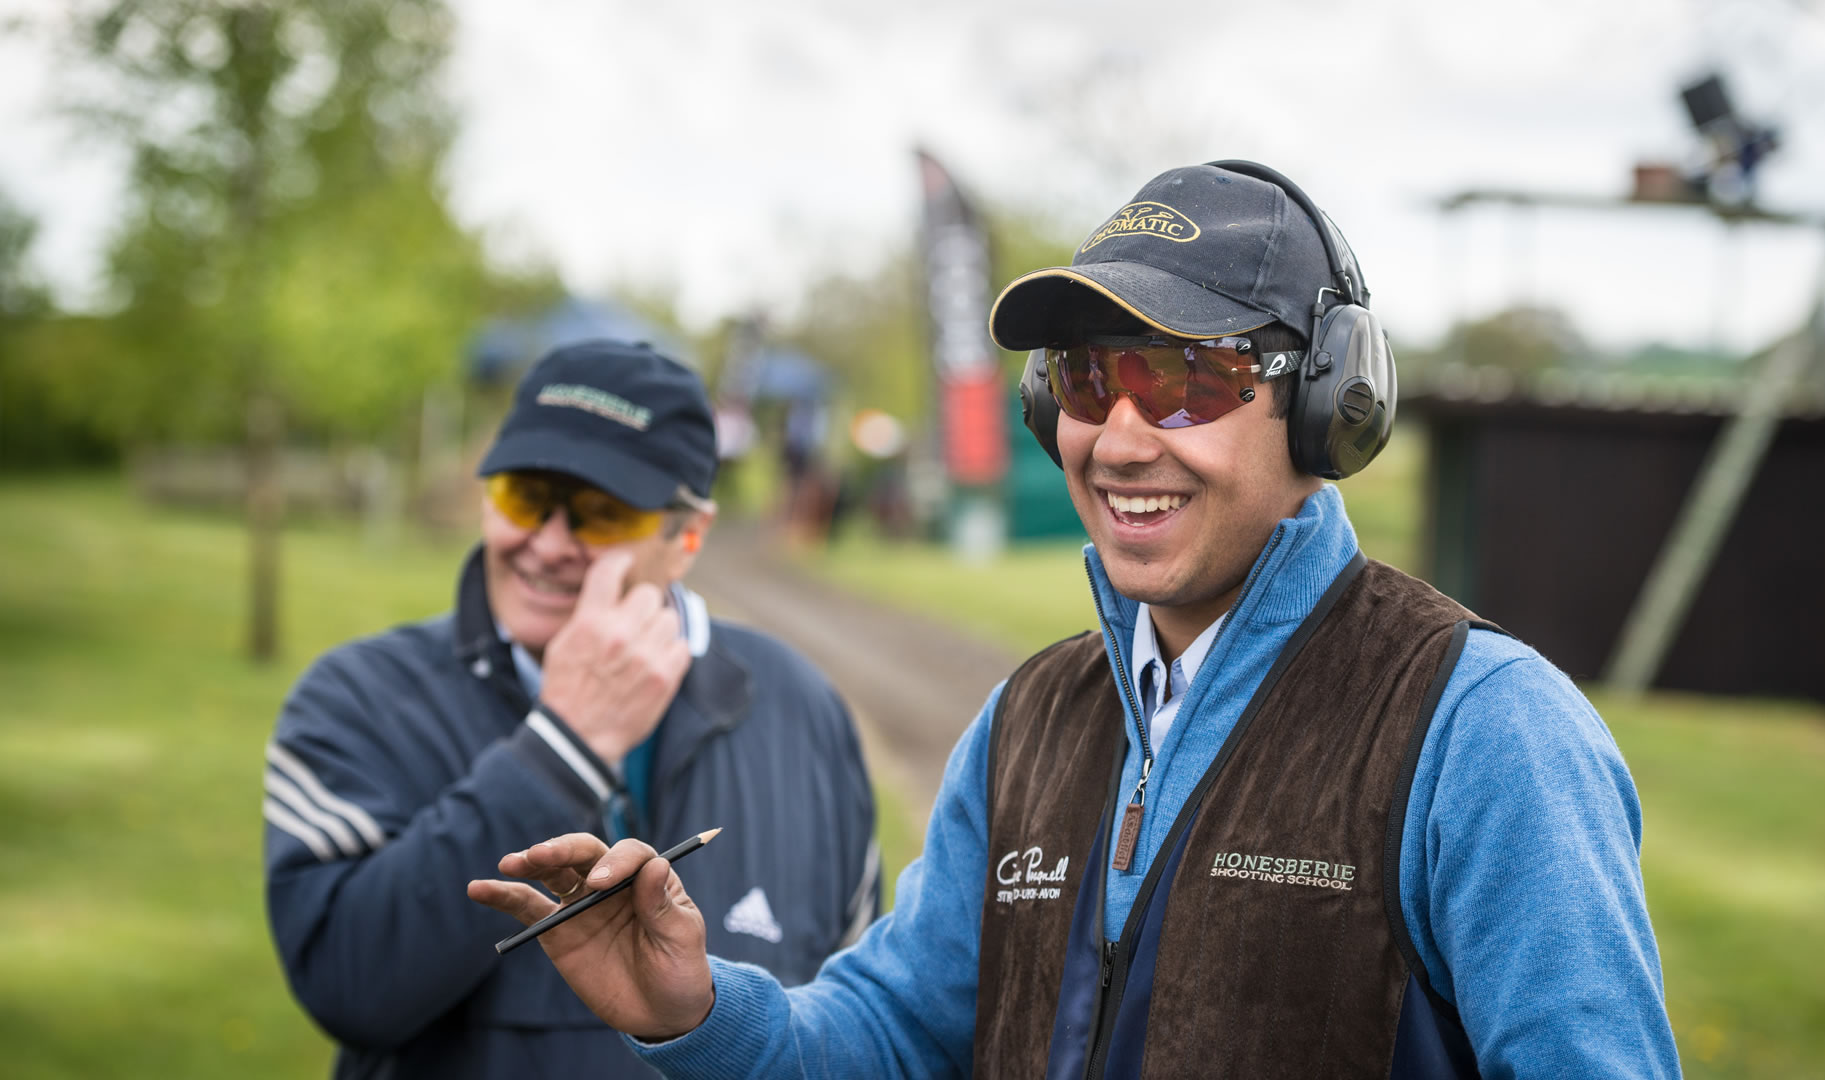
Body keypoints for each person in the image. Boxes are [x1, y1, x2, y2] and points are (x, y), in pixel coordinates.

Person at [470, 163, 1683, 1078]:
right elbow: (893, 1031)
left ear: (1330, 409)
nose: (1118, 437)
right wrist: (697, 1006)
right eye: (1089, 379)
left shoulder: (1482, 727)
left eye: (1191, 378)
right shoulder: (1028, 721)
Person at [264, 340, 881, 1079]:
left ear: (685, 537)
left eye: (599, 511)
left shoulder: (800, 706)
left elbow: (857, 1021)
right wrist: (565, 746)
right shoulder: (359, 697)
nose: (549, 544)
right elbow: (349, 989)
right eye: (525, 497)